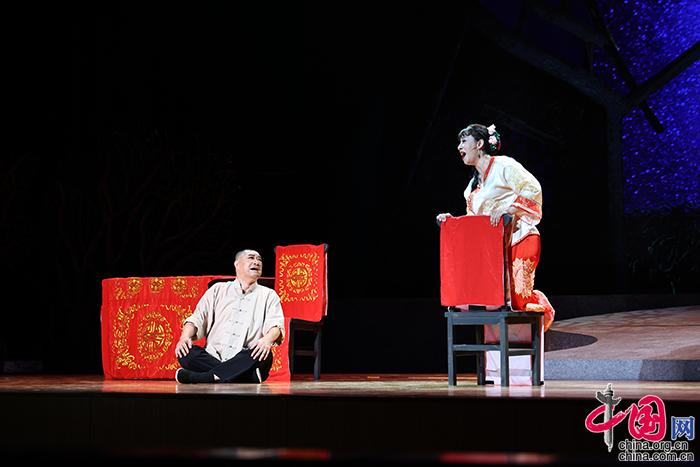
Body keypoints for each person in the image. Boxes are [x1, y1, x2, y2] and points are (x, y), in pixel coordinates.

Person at [437, 123, 555, 384]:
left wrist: (509, 210)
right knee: (496, 300)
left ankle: (544, 309)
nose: (459, 147)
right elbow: (474, 222)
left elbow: (532, 188)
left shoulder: (504, 165)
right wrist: (451, 221)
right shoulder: (471, 189)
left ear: (479, 144)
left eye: (464, 141)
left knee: (519, 299)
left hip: (521, 237)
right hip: (494, 252)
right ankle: (498, 370)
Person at [174, 249, 285, 384]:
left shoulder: (269, 295)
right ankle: (244, 377)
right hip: (214, 356)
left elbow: (276, 325)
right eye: (251, 258)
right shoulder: (217, 290)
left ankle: (204, 377)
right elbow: (197, 318)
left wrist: (267, 340)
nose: (256, 262)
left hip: (246, 356)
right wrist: (184, 337)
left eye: (259, 259)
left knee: (264, 354)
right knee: (185, 353)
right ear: (237, 264)